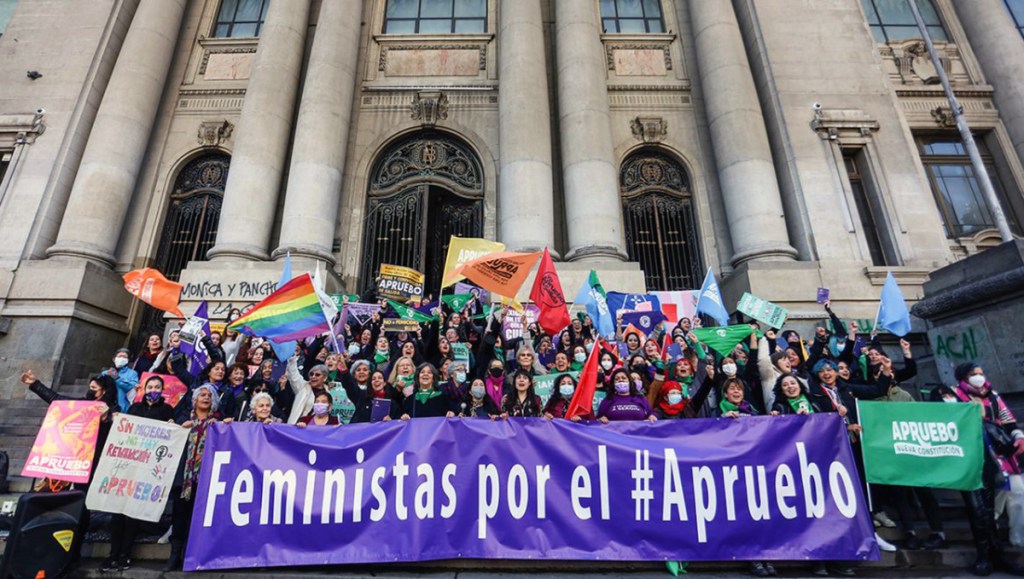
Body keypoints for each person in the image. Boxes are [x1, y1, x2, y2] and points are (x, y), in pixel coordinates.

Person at [952, 361, 1024, 576]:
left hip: (995, 459)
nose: (979, 377)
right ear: (964, 376)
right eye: (974, 374)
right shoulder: (953, 395)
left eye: (981, 373)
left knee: (991, 508)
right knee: (977, 511)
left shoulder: (992, 395)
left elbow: (1008, 420)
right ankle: (984, 555)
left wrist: (1018, 435)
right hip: (968, 460)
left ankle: (998, 555)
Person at [102, 375, 175, 572]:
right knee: (117, 514)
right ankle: (112, 555)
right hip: (129, 465)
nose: (154, 389)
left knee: (132, 513)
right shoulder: (135, 408)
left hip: (149, 468)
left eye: (157, 386)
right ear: (144, 388)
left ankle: (125, 555)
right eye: (150, 386)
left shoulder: (167, 410)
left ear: (162, 389)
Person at [167, 384, 227, 571]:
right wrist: (175, 428)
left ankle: (191, 556)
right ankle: (174, 555)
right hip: (183, 479)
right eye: (202, 394)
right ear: (194, 400)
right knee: (179, 519)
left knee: (198, 519)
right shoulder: (183, 419)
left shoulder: (218, 423)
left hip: (205, 480)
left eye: (210, 395)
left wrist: (224, 427)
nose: (206, 398)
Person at [109, 347, 140, 412]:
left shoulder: (133, 373)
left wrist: (117, 379)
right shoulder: (106, 373)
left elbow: (132, 387)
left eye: (124, 357)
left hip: (123, 408)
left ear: (128, 360)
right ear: (114, 359)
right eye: (120, 356)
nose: (122, 359)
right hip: (107, 406)